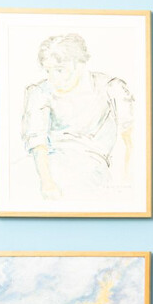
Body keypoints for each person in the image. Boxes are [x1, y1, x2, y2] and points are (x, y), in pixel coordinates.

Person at [21, 33, 135, 200]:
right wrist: (47, 183)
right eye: (48, 71)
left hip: (90, 169)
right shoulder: (39, 92)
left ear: (80, 65)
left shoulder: (111, 88)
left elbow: (130, 140)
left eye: (59, 70)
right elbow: (37, 142)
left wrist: (126, 178)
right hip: (43, 166)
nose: (53, 78)